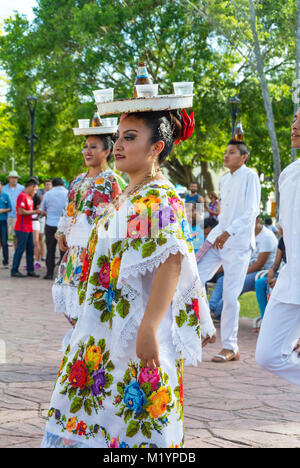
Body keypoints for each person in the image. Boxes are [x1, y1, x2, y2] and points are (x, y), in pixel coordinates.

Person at [41, 107, 216, 448]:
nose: (118, 144)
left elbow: (171, 261)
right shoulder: (129, 194)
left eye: (130, 137)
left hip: (135, 327)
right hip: (107, 324)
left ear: (157, 148)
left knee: (137, 424)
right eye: (119, 137)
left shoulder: (161, 197)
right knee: (102, 418)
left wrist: (149, 327)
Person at [52, 133, 122, 348]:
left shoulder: (113, 180)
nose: (87, 151)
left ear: (106, 152)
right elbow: (69, 208)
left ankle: (89, 343)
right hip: (74, 249)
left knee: (90, 298)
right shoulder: (77, 180)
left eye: (93, 147)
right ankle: (79, 338)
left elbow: (117, 216)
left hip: (96, 250)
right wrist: (61, 232)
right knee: (67, 294)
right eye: (85, 146)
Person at [196, 139, 261, 362]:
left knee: (230, 295)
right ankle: (206, 328)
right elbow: (224, 215)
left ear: (244, 157)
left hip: (239, 244)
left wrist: (229, 232)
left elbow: (252, 211)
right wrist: (216, 234)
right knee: (193, 278)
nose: (226, 156)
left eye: (231, 153)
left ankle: (231, 347)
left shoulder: (250, 176)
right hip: (218, 240)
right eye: (225, 152)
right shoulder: (224, 179)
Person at [255, 109, 300, 385]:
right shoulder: (289, 175)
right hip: (291, 279)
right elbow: (288, 234)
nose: (294, 126)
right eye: (294, 118)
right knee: (268, 354)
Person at [208, 215, 278, 320]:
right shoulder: (247, 234)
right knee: (222, 280)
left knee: (234, 285)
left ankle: (216, 313)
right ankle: (210, 308)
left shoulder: (267, 237)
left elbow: (259, 264)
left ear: (258, 220)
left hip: (261, 273)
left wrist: (239, 273)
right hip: (246, 269)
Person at [40, 178, 68, 280]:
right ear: (62, 184)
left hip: (50, 224)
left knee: (50, 250)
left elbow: (42, 210)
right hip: (63, 226)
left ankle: (49, 273)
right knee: (64, 250)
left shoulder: (48, 194)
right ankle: (63, 275)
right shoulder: (68, 193)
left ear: (53, 184)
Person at [11, 179, 40, 278]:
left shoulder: (30, 197)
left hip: (29, 227)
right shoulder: (22, 196)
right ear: (31, 187)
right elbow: (21, 212)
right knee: (20, 249)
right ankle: (14, 270)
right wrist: (35, 212)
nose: (35, 192)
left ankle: (30, 270)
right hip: (22, 227)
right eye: (35, 189)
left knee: (30, 249)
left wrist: (34, 212)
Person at [255, 230, 286, 321]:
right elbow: (276, 263)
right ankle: (265, 318)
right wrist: (272, 270)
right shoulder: (282, 240)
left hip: (293, 277)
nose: (280, 230)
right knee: (260, 283)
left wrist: (281, 279)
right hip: (283, 275)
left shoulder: (295, 240)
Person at [2, 171, 24, 249]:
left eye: (15, 178)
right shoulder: (4, 188)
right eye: (12, 177)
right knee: (2, 236)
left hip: (17, 215)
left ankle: (16, 253)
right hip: (5, 215)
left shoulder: (22, 188)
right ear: (9, 178)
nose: (14, 179)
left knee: (16, 235)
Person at [0, 180, 12, 268]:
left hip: (3, 221)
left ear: (2, 186)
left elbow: (10, 208)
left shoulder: (5, 195)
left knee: (4, 242)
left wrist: (2, 210)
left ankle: (6, 261)